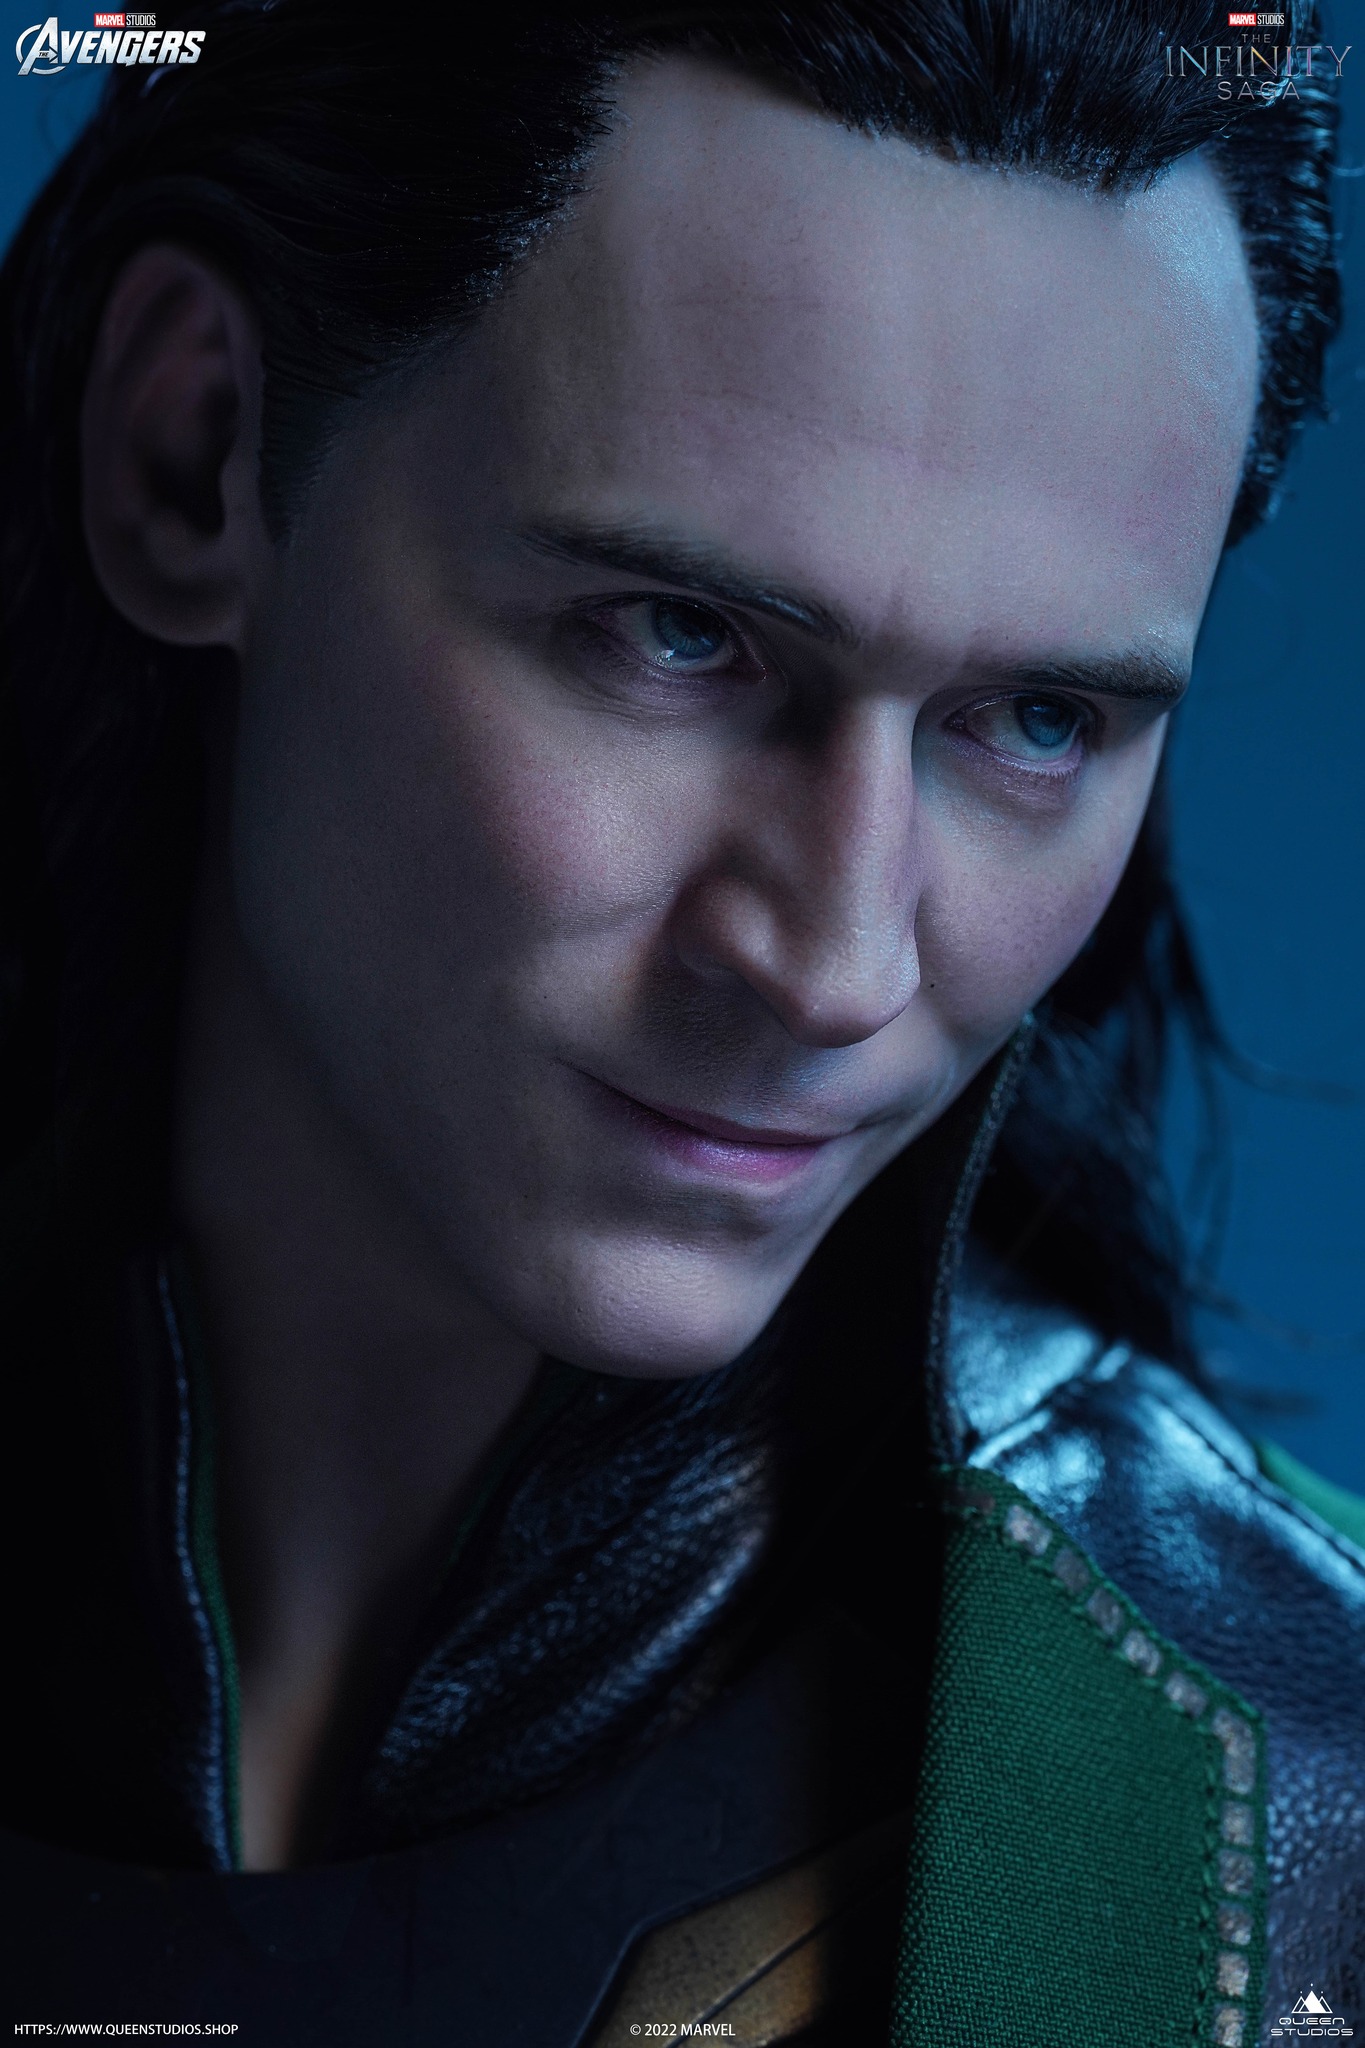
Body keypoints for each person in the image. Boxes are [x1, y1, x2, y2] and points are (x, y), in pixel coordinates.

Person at [2, 2, 1361, 2041]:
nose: (834, 963)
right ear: (191, 458)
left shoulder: (1286, 1810)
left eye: (1035, 721)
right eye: (675, 636)